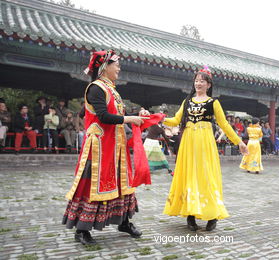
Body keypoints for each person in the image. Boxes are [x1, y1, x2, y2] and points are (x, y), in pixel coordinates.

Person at [62, 50, 150, 246]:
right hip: (98, 147)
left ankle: (124, 222)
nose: (118, 68)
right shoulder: (96, 88)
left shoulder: (112, 89)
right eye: (116, 64)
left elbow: (118, 114)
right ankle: (81, 230)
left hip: (116, 146)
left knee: (122, 183)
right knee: (91, 186)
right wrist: (129, 118)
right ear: (104, 67)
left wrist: (139, 113)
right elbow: (103, 116)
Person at [162, 66, 248, 231]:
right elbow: (175, 120)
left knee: (206, 176)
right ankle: (190, 214)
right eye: (196, 80)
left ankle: (212, 215)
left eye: (202, 81)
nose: (198, 83)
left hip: (205, 143)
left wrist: (239, 142)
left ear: (209, 84)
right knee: (189, 175)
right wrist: (157, 118)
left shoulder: (213, 102)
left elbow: (224, 124)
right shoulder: (186, 101)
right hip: (188, 143)